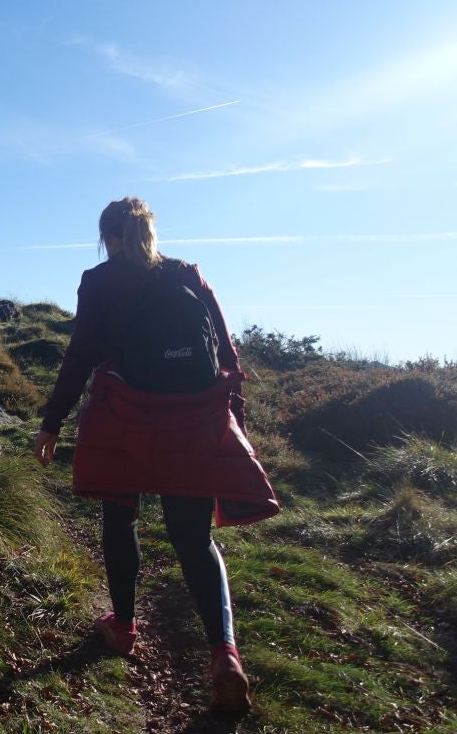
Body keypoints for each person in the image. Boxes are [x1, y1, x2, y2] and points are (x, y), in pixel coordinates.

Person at [31, 197, 279, 715]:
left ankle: (123, 626)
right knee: (194, 539)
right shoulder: (188, 274)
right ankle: (225, 654)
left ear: (108, 238)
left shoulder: (99, 281)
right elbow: (227, 356)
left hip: (124, 422)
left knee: (120, 518)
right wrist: (233, 424)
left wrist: (52, 422)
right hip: (195, 421)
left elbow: (79, 356)